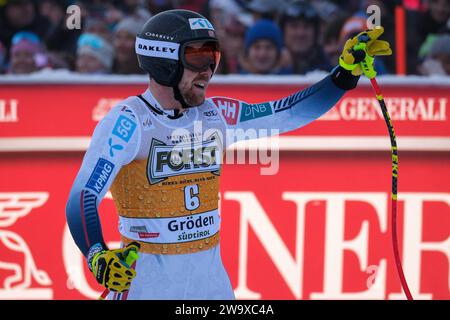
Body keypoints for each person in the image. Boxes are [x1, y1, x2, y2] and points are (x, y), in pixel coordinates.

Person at [65, 9, 391, 300]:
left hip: (211, 290)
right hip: (147, 289)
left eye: (213, 58)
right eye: (197, 58)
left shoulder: (215, 114)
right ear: (163, 61)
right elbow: (83, 195)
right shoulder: (129, 121)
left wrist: (344, 75)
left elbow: (288, 112)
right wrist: (96, 253)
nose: (208, 70)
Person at [280, 0, 333, 74]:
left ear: (315, 33)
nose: (300, 33)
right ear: (283, 31)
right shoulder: (269, 63)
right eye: (294, 26)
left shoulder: (328, 71)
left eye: (307, 27)